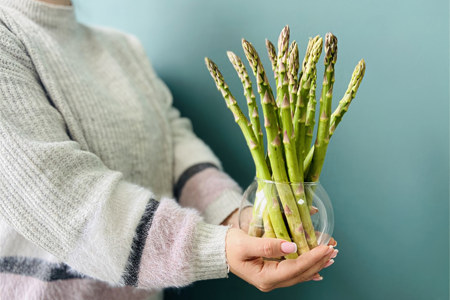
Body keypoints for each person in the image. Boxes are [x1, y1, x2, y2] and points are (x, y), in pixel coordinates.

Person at [0, 0, 338, 299]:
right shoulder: (7, 36)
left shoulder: (123, 48)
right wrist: (214, 247)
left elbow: (173, 146)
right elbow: (56, 194)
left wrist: (244, 220)